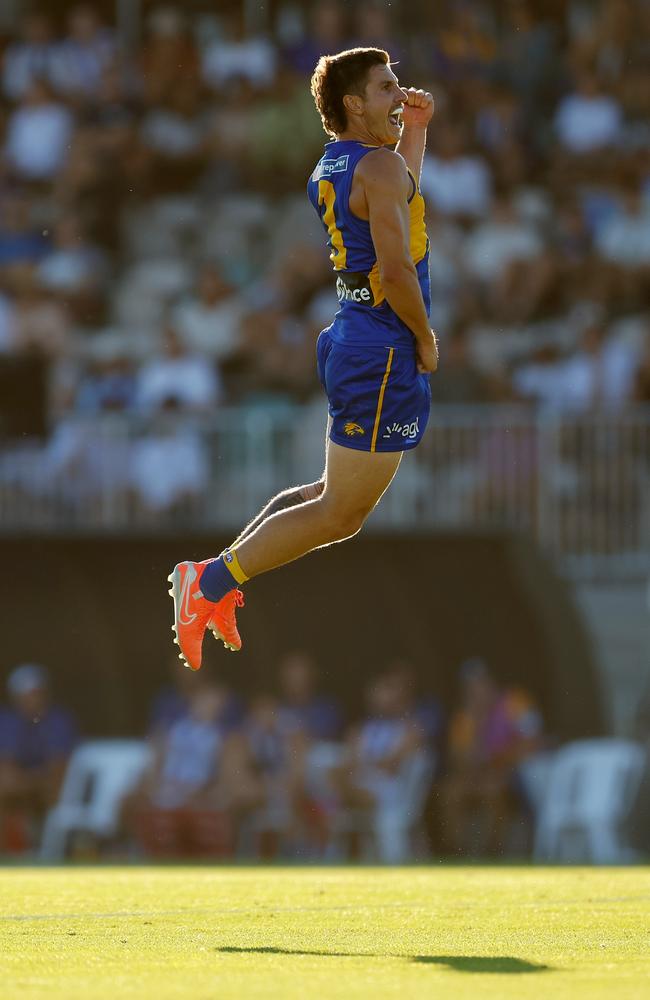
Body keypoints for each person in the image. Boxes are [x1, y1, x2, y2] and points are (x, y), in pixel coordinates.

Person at [168, 47, 438, 670]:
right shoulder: (381, 168)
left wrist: (416, 133)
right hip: (383, 347)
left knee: (330, 496)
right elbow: (395, 268)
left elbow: (399, 197)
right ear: (353, 102)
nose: (400, 95)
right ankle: (209, 581)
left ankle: (221, 579)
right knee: (341, 512)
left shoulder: (340, 164)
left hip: (353, 336)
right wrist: (425, 338)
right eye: (386, 87)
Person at [0, 663, 78, 852]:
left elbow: (58, 769)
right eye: (27, 694)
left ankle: (43, 848)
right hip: (24, 787)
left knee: (48, 788)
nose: (33, 699)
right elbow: (6, 764)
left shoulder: (59, 721)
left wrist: (24, 783)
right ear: (16, 698)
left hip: (51, 787)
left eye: (37, 693)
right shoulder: (8, 721)